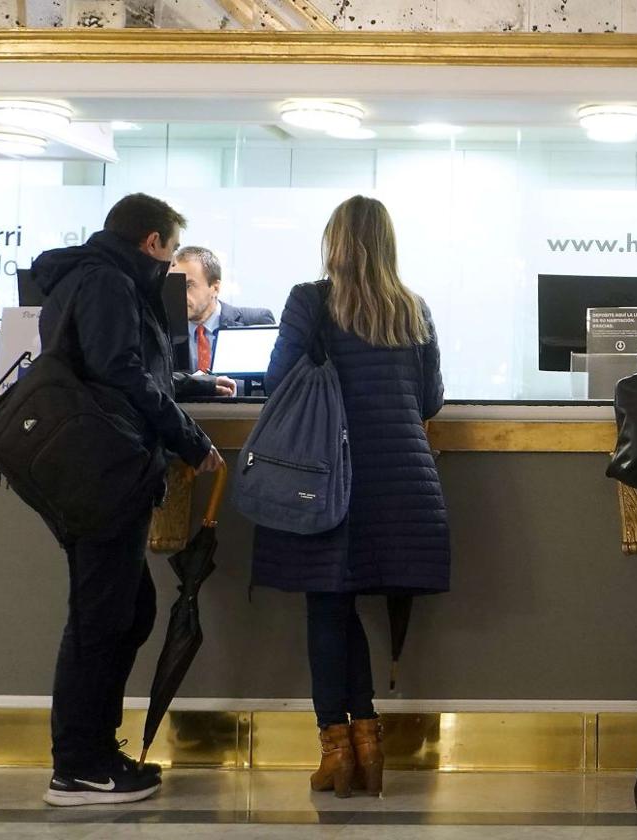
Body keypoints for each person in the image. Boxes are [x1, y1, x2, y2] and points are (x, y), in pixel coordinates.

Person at [251, 195, 449, 798]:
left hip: (327, 476)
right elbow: (431, 400)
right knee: (344, 609)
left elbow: (280, 380)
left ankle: (337, 748)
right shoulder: (412, 308)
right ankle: (367, 740)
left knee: (326, 609)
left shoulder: (311, 300)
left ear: (333, 241)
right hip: (402, 486)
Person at [30, 192, 224, 807]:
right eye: (168, 254)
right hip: (103, 470)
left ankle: (93, 747)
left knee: (128, 607)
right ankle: (78, 764)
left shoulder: (77, 278)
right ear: (152, 243)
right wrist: (191, 439)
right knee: (99, 616)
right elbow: (121, 370)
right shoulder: (111, 283)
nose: (167, 267)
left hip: (85, 465)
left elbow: (105, 365)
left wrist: (185, 385)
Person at [171, 245, 274, 375]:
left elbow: (267, 383)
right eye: (174, 284)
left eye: (188, 286)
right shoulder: (165, 330)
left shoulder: (255, 321)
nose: (178, 294)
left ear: (215, 288)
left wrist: (226, 386)